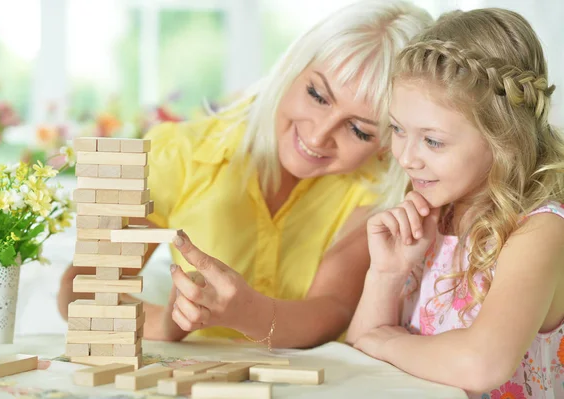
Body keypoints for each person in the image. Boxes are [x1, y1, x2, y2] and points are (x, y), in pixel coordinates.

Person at [58, 1, 432, 349]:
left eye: (359, 131)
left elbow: (333, 309)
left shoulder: (382, 186)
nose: (318, 135)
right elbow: (81, 292)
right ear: (292, 68)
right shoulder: (179, 152)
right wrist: (164, 324)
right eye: (318, 95)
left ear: (388, 139)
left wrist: (246, 313)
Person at [346, 7, 564, 398]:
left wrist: (386, 341)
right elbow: (361, 352)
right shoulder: (430, 212)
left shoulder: (540, 231)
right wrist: (387, 273)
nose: (407, 157)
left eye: (432, 140)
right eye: (397, 129)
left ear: (503, 139)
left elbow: (482, 364)